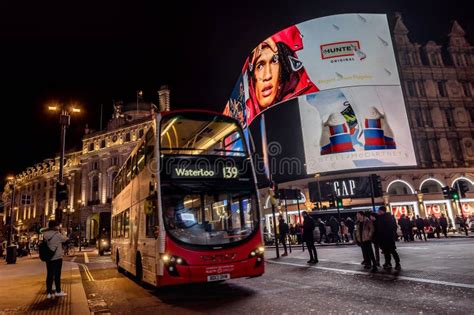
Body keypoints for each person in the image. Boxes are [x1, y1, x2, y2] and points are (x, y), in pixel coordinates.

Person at [245, 25, 318, 125]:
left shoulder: (310, 97)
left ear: (284, 67)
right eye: (260, 65)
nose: (267, 76)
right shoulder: (242, 114)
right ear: (252, 76)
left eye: (274, 61)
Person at [43, 220, 68, 299]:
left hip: (49, 257)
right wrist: (63, 232)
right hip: (57, 257)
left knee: (49, 275)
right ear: (55, 226)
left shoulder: (45, 234)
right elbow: (66, 239)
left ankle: (49, 293)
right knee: (57, 275)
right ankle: (58, 291)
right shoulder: (57, 234)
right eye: (57, 225)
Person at [377, 206, 401, 271]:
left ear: (381, 211)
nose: (378, 212)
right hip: (383, 237)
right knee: (386, 251)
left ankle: (397, 263)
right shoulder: (380, 217)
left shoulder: (389, 217)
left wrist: (390, 233)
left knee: (392, 250)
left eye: (378, 211)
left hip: (389, 237)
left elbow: (393, 227)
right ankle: (388, 263)